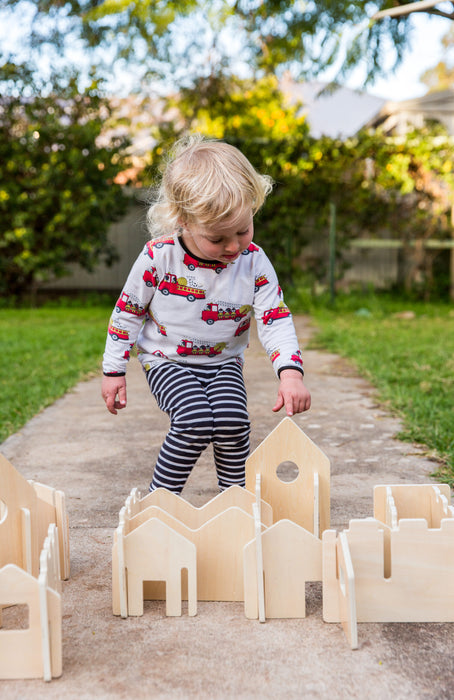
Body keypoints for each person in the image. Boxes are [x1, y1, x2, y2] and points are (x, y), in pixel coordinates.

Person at [101, 135, 311, 494]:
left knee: (233, 423)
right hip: (166, 360)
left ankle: (235, 499)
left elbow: (274, 317)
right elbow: (128, 313)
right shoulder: (158, 257)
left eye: (243, 230)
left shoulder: (253, 261)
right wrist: (113, 370)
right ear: (182, 220)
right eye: (217, 238)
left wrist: (290, 373)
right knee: (194, 421)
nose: (233, 246)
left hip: (223, 363)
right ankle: (161, 501)